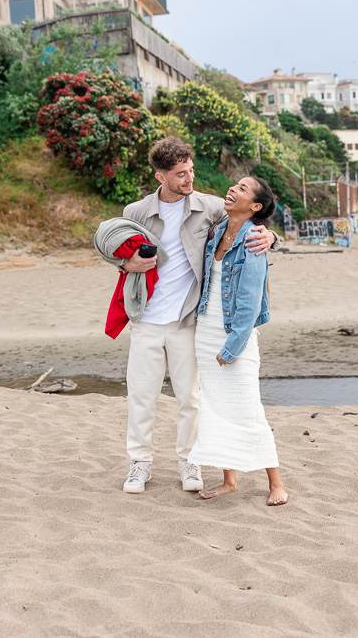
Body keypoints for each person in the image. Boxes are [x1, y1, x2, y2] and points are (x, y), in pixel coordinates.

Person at [118, 139, 277, 494]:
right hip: (145, 319)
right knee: (141, 395)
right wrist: (124, 262)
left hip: (188, 321)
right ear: (160, 176)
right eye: (180, 174)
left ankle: (188, 461)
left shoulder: (209, 207)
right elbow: (112, 244)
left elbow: (248, 223)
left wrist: (271, 236)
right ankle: (139, 463)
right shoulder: (136, 212)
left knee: (189, 399)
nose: (189, 178)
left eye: (191, 170)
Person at [187, 176, 288, 505]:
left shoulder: (254, 240)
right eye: (235, 185)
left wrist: (233, 346)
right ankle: (229, 481)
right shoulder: (217, 230)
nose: (232, 190)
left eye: (242, 189)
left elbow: (249, 302)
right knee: (216, 408)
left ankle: (276, 483)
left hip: (234, 333)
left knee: (247, 408)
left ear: (255, 206)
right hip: (206, 328)